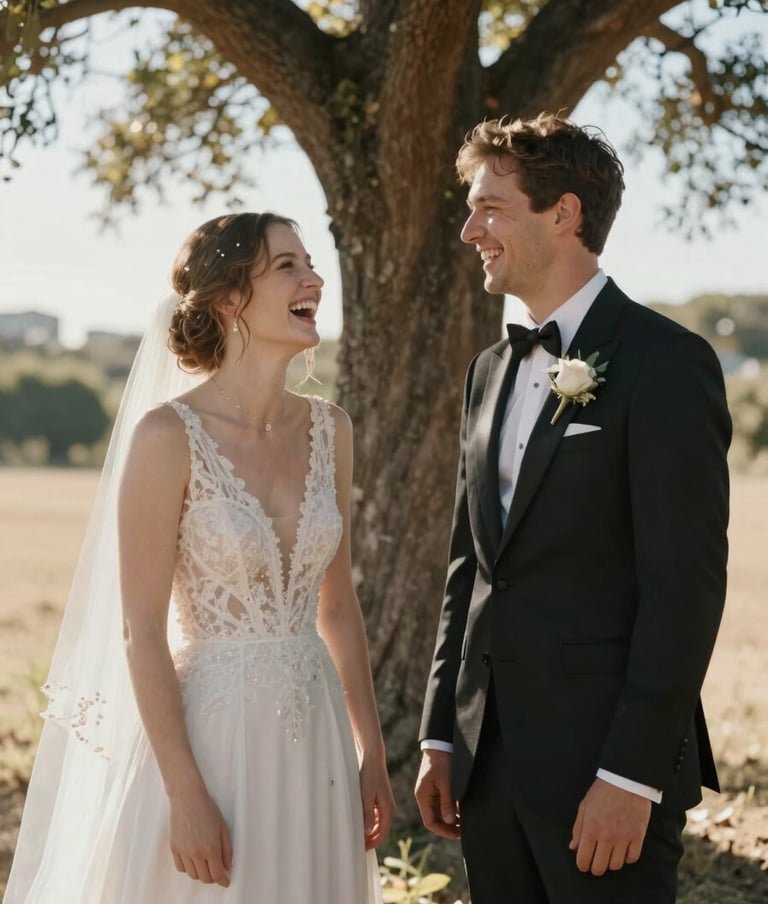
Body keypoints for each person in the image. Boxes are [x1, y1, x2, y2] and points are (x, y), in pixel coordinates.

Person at [5, 212, 394, 904]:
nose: (313, 278)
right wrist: (185, 794)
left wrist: (371, 751)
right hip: (210, 745)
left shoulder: (332, 429)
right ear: (227, 301)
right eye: (286, 267)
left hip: (318, 744)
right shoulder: (167, 437)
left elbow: (338, 607)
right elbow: (141, 631)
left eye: (310, 262)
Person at [414, 113, 730, 904]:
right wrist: (440, 733)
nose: (467, 229)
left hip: (605, 774)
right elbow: (470, 567)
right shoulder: (488, 370)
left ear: (564, 214)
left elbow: (683, 588)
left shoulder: (666, 363)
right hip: (486, 770)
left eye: (489, 207)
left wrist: (632, 773)